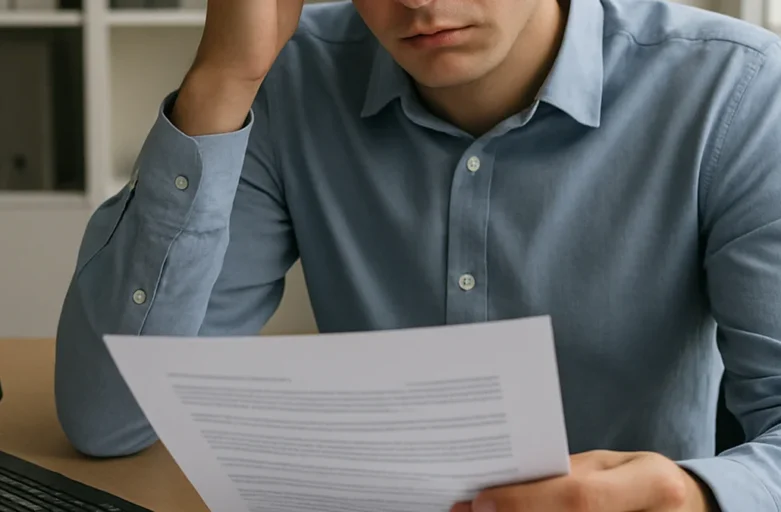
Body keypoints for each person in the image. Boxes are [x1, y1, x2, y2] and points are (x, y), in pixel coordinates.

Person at [54, 0, 781, 509]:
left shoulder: (736, 94)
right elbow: (110, 420)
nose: (418, 1)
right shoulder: (288, 76)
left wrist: (695, 498)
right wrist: (220, 80)